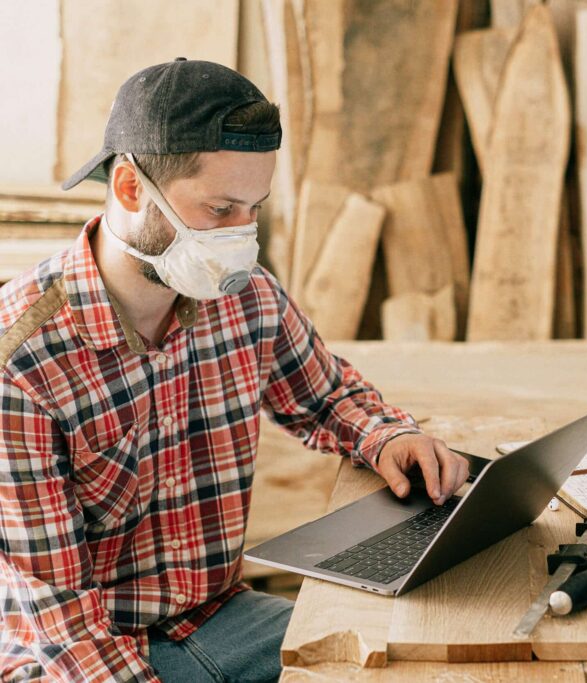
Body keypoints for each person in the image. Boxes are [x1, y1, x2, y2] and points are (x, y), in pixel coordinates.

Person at [0, 58, 469, 682]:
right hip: (75, 653)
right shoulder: (22, 362)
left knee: (406, 666)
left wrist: (390, 436)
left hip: (218, 617)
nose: (241, 236)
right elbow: (59, 616)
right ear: (130, 188)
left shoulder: (243, 296)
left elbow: (326, 398)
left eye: (255, 209)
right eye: (221, 209)